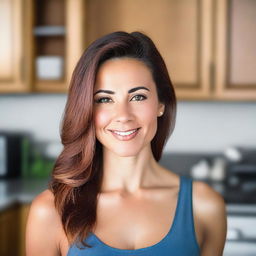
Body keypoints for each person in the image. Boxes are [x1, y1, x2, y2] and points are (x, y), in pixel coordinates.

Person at [26, 31, 227, 256]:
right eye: (104, 99)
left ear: (161, 103)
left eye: (138, 97)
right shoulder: (51, 211)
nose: (123, 115)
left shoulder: (204, 205)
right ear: (86, 111)